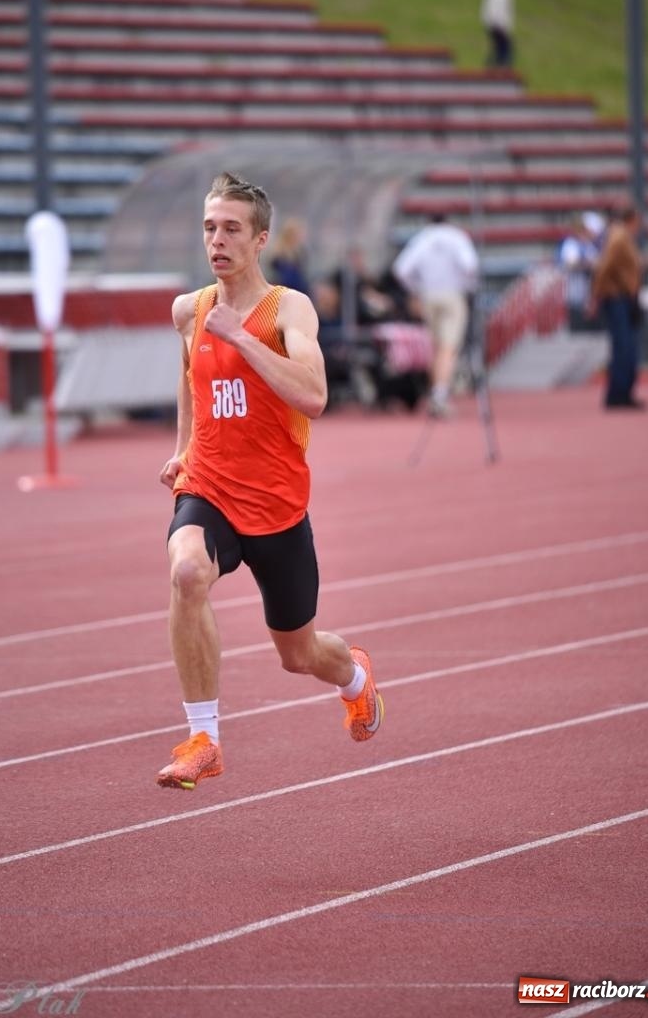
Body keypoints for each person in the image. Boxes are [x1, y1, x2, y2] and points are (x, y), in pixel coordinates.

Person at [157, 172, 384, 789]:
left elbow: (314, 396)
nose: (217, 240)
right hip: (209, 487)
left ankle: (355, 677)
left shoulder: (288, 309)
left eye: (232, 229)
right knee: (186, 571)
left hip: (278, 507)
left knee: (299, 654)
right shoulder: (189, 310)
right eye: (210, 228)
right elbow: (190, 377)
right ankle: (204, 739)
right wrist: (182, 449)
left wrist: (242, 339)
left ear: (260, 240)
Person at [392, 213, 480, 418]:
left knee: (435, 347)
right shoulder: (457, 237)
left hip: (428, 296)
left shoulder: (423, 238)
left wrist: (416, 289)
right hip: (452, 295)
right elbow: (470, 266)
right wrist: (467, 286)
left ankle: (436, 392)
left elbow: (401, 270)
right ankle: (439, 395)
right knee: (448, 347)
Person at [591, 206, 645, 410]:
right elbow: (605, 266)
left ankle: (623, 392)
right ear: (631, 219)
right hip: (617, 297)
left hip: (623, 296)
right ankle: (618, 393)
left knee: (626, 346)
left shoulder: (622, 237)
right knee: (623, 346)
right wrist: (596, 295)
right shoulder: (619, 237)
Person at [557, 210, 605, 331]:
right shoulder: (571, 244)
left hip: (591, 297)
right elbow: (570, 263)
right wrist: (588, 264)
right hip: (576, 295)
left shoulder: (589, 245)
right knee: (579, 330)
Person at [480, 0, 515, 68]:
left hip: (490, 23)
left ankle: (492, 66)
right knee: (505, 48)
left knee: (498, 47)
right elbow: (501, 10)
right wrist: (503, 27)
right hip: (498, 25)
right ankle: (502, 68)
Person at [268, 216, 310, 295]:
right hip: (282, 290)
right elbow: (274, 273)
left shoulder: (300, 252)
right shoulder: (279, 252)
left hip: (298, 289)